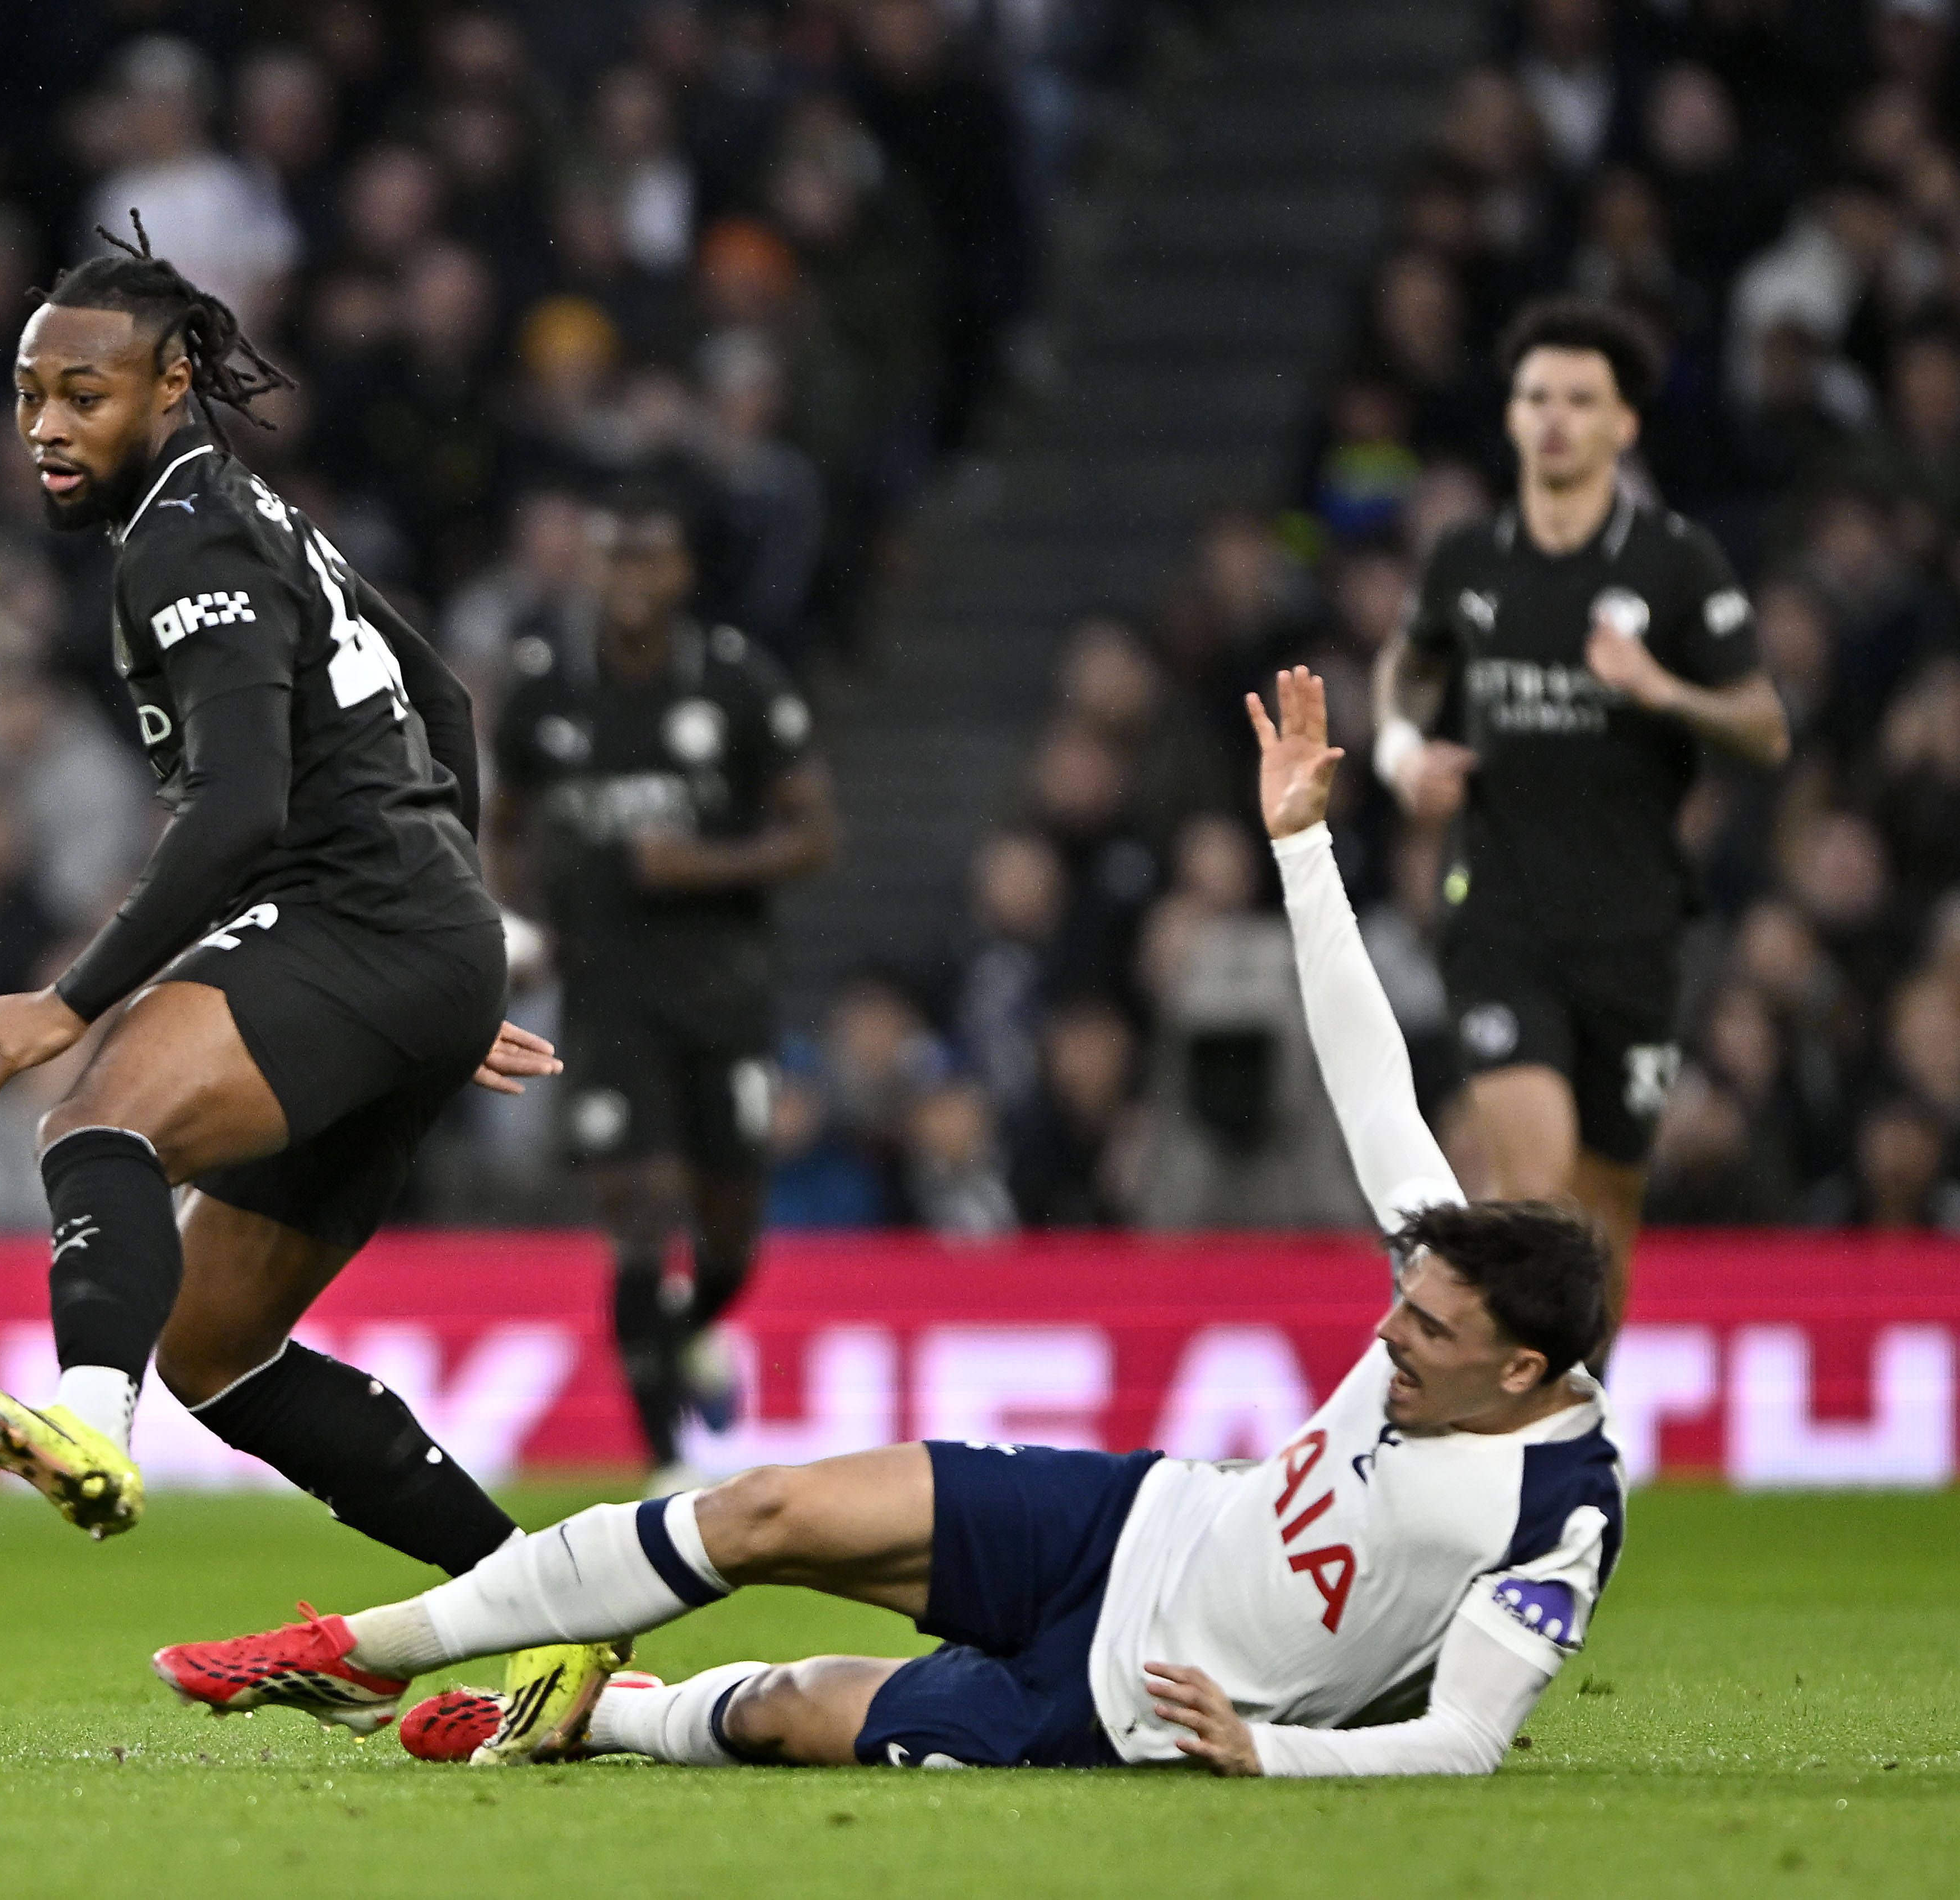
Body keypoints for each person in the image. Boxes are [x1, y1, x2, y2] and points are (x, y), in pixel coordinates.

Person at [155, 669, 1625, 1781]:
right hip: (1138, 1518)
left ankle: (603, 1714)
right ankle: (360, 1650)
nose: (1390, 1329)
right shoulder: (1462, 1278)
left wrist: (1271, 1751)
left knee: (794, 1710)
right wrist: (1304, 851)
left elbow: (1468, 1742)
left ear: (1523, 1373)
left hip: (1131, 1704)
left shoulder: (1555, 1519)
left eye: (1429, 1333)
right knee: (769, 1512)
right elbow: (1372, 1080)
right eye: (1407, 1300)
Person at [0, 218, 559, 1603]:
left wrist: (70, 999)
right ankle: (549, 1601)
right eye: (29, 394)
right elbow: (439, 696)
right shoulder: (247, 511)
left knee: (96, 1116)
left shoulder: (184, 539)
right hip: (415, 939)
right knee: (211, 1343)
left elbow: (241, 808)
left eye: (86, 394)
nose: (46, 427)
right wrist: (464, 931)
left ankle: (86, 1418)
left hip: (356, 919)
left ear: (170, 387)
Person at [1373, 298, 1786, 1345]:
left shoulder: (1676, 566)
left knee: (1604, 1219)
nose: (1554, 418)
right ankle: (1524, 1450)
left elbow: (1763, 728)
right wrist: (1399, 749)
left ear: (1623, 426)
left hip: (1633, 929)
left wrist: (1661, 688)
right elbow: (1410, 664)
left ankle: (1579, 1425)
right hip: (1500, 916)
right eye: (1536, 397)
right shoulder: (1468, 560)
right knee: (1538, 1186)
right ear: (1512, 418)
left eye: (1580, 400)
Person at [486, 497, 836, 1485]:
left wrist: (702, 864)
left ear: (684, 572)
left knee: (729, 1230)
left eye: (652, 556)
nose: (632, 578)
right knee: (637, 1207)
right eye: (614, 557)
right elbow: (505, 823)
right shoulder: (547, 687)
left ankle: (692, 1329)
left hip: (722, 988)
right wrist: (520, 922)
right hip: (606, 990)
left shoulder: (733, 680)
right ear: (591, 567)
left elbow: (814, 834)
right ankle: (664, 1454)